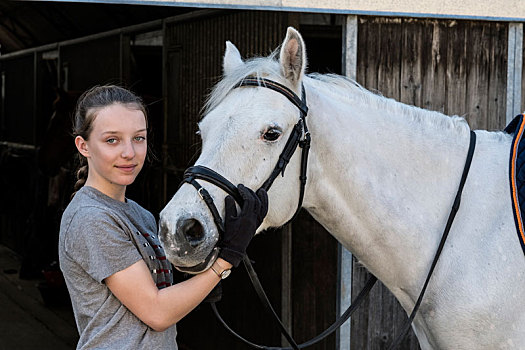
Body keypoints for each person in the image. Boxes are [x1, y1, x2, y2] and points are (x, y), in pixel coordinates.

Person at [58, 85, 268, 349]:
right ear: (84, 146)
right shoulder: (91, 218)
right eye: (112, 140)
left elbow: (157, 294)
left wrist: (208, 264)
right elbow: (157, 313)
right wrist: (227, 259)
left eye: (138, 138)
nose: (129, 153)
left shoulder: (140, 215)